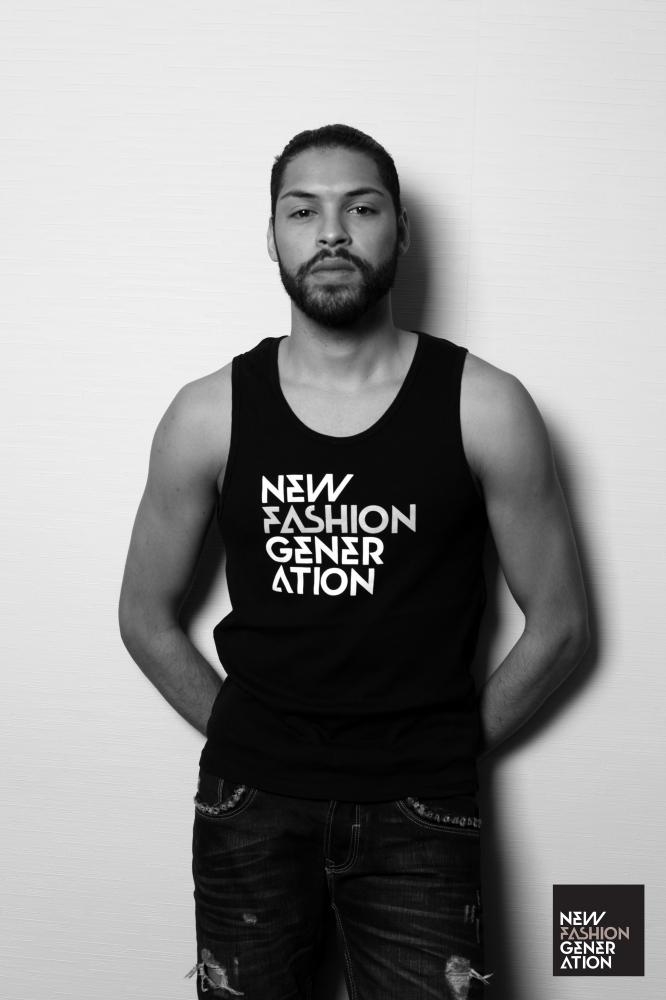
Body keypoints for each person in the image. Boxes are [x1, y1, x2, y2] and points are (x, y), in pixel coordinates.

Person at [118, 123, 589, 999]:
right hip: (248, 810)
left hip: (423, 811)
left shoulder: (485, 406)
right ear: (273, 236)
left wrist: (445, 746)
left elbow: (560, 625)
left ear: (400, 231)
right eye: (303, 211)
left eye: (361, 208)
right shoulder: (208, 413)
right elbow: (143, 616)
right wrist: (249, 739)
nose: (331, 233)